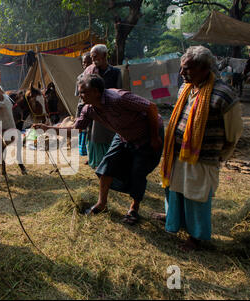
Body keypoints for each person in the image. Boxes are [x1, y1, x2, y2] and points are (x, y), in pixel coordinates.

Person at [34, 73, 164, 225]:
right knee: (106, 166)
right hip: (123, 135)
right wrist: (47, 129)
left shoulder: (119, 98)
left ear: (96, 91)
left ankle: (134, 208)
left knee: (137, 172)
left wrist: (155, 137)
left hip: (147, 134)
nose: (80, 96)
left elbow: (151, 108)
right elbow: (76, 129)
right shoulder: (88, 109)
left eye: (83, 92)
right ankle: (101, 204)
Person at [158, 46, 243, 251]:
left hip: (202, 158)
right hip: (177, 154)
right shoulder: (186, 88)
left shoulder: (224, 94)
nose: (182, 73)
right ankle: (174, 220)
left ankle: (196, 237)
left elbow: (234, 133)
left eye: (187, 69)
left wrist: (220, 155)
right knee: (176, 189)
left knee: (195, 195)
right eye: (181, 68)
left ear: (205, 68)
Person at [84, 44, 123, 169]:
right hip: (95, 115)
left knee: (111, 140)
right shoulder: (89, 73)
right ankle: (100, 167)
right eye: (92, 56)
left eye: (95, 56)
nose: (93, 58)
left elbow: (120, 93)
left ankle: (111, 167)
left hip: (111, 114)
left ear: (104, 55)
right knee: (95, 138)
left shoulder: (116, 73)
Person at [75, 52, 92, 157]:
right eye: (84, 63)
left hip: (93, 107)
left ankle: (90, 153)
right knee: (82, 128)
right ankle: (83, 151)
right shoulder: (80, 77)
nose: (86, 65)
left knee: (91, 130)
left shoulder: (96, 76)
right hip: (82, 106)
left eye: (88, 62)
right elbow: (78, 95)